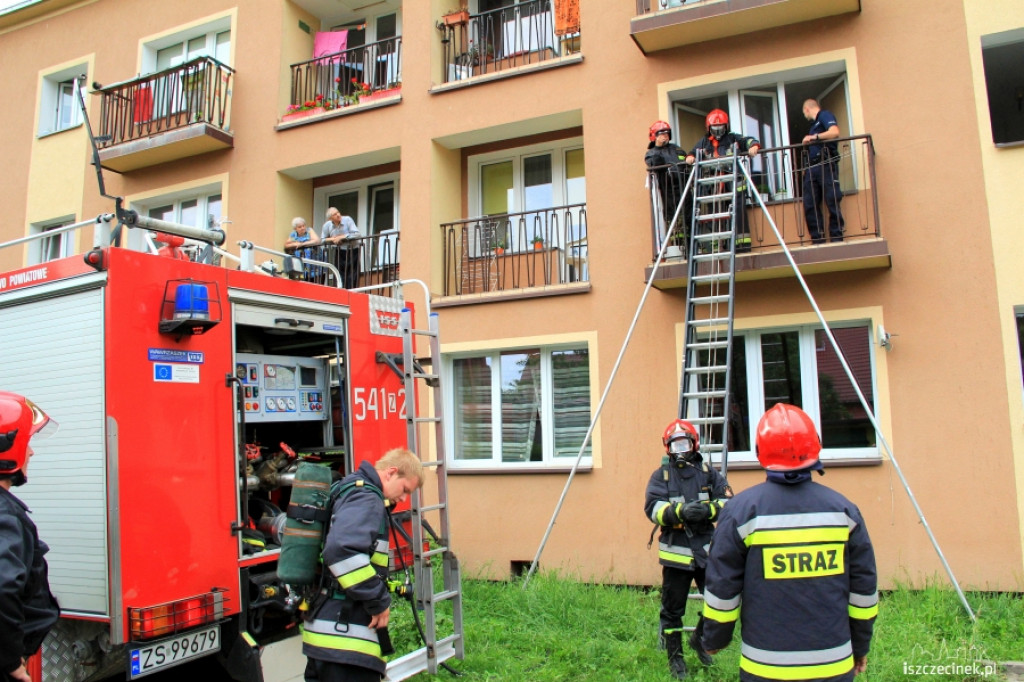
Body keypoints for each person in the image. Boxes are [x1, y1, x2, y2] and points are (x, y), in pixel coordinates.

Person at [701, 403, 877, 681]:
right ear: (815, 447)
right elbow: (863, 593)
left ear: (760, 452)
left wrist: (714, 640)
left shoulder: (740, 513)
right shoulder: (844, 512)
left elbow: (722, 588)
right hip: (833, 666)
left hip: (765, 668)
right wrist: (861, 646)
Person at [302, 448, 423, 682]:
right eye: (405, 490)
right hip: (347, 646)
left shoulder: (349, 489)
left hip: (324, 638)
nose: (404, 499)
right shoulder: (367, 499)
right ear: (391, 472)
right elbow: (341, 550)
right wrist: (379, 601)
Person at [644, 419, 732, 680]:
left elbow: (729, 502)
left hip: (706, 549)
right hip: (676, 552)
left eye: (684, 443)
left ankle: (700, 639)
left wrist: (708, 510)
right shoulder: (661, 476)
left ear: (694, 444)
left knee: (719, 600)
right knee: (672, 610)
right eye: (675, 445)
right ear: (668, 447)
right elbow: (653, 508)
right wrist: (679, 512)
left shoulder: (709, 473)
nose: (680, 449)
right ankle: (675, 659)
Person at [0, 392, 60, 682]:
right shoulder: (5, 517)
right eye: (28, 441)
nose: (32, 452)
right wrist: (10, 662)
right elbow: (2, 588)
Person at [685, 109, 760, 253]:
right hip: (713, 186)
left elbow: (748, 141)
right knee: (714, 216)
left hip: (733, 184)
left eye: (721, 128)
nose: (718, 131)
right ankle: (717, 247)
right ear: (709, 128)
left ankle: (741, 246)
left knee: (738, 215)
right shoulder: (704, 142)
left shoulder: (733, 138)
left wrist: (754, 146)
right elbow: (693, 152)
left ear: (726, 127)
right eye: (715, 128)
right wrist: (690, 157)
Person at [645, 121, 693, 256]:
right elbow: (653, 163)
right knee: (675, 222)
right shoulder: (651, 153)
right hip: (668, 192)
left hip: (684, 189)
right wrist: (659, 147)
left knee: (689, 219)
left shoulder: (676, 149)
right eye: (661, 134)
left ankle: (691, 249)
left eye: (666, 133)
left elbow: (685, 162)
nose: (665, 136)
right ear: (654, 136)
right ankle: (680, 250)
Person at [801, 98, 845, 244]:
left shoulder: (824, 115)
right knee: (810, 203)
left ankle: (836, 236)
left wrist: (814, 137)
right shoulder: (814, 125)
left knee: (832, 199)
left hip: (826, 164)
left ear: (807, 109)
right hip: (813, 166)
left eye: (804, 112)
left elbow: (834, 132)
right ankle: (817, 238)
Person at [321, 207, 362, 289]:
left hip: (353, 250)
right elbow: (322, 240)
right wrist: (333, 239)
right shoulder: (327, 225)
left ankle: (351, 291)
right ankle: (341, 291)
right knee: (340, 273)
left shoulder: (347, 220)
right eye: (335, 214)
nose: (338, 215)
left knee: (353, 274)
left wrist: (342, 237)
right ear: (330, 218)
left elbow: (357, 234)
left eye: (338, 212)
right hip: (340, 251)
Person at [284, 217, 322, 282]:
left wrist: (302, 244)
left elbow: (317, 241)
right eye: (300, 227)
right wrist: (295, 244)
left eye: (303, 226)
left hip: (313, 263)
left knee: (313, 282)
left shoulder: (309, 231)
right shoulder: (293, 234)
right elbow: (287, 245)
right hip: (301, 263)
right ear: (295, 229)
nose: (302, 228)